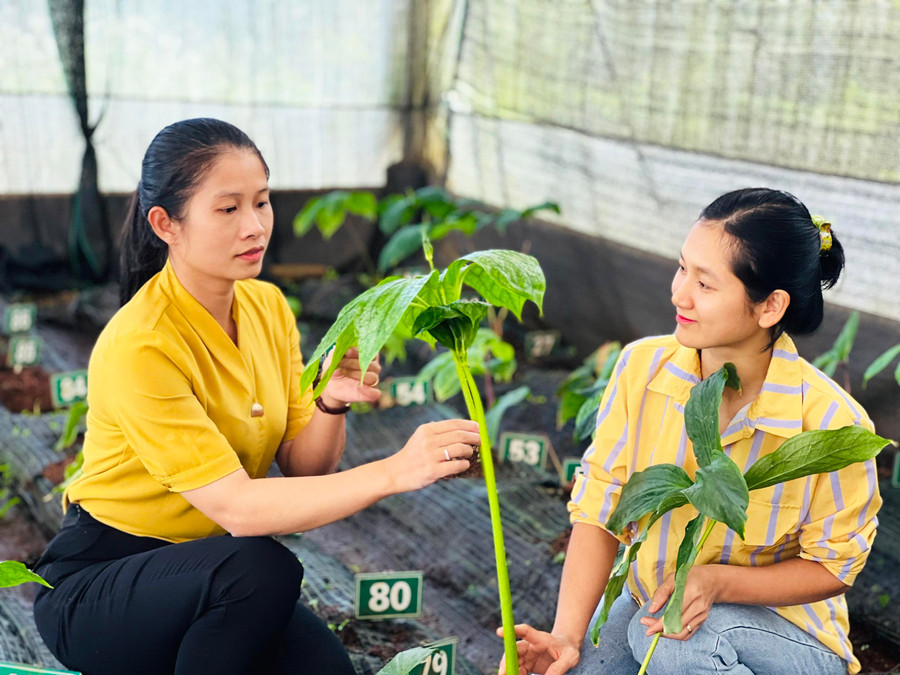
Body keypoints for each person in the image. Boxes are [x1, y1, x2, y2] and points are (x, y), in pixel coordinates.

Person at [32, 118, 479, 675]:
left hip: (208, 577)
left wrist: (328, 404)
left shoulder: (266, 307)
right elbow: (239, 511)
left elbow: (303, 465)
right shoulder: (142, 344)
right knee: (262, 568)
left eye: (262, 203)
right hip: (103, 588)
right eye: (228, 209)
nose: (255, 227)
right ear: (166, 223)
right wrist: (395, 470)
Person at [498, 188, 882, 675]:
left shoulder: (832, 422)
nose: (679, 293)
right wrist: (566, 637)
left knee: (678, 645)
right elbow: (599, 508)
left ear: (769, 307)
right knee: (579, 665)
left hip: (787, 636)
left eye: (705, 283)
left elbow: (833, 567)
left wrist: (718, 582)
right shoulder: (642, 367)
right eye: (682, 268)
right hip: (654, 603)